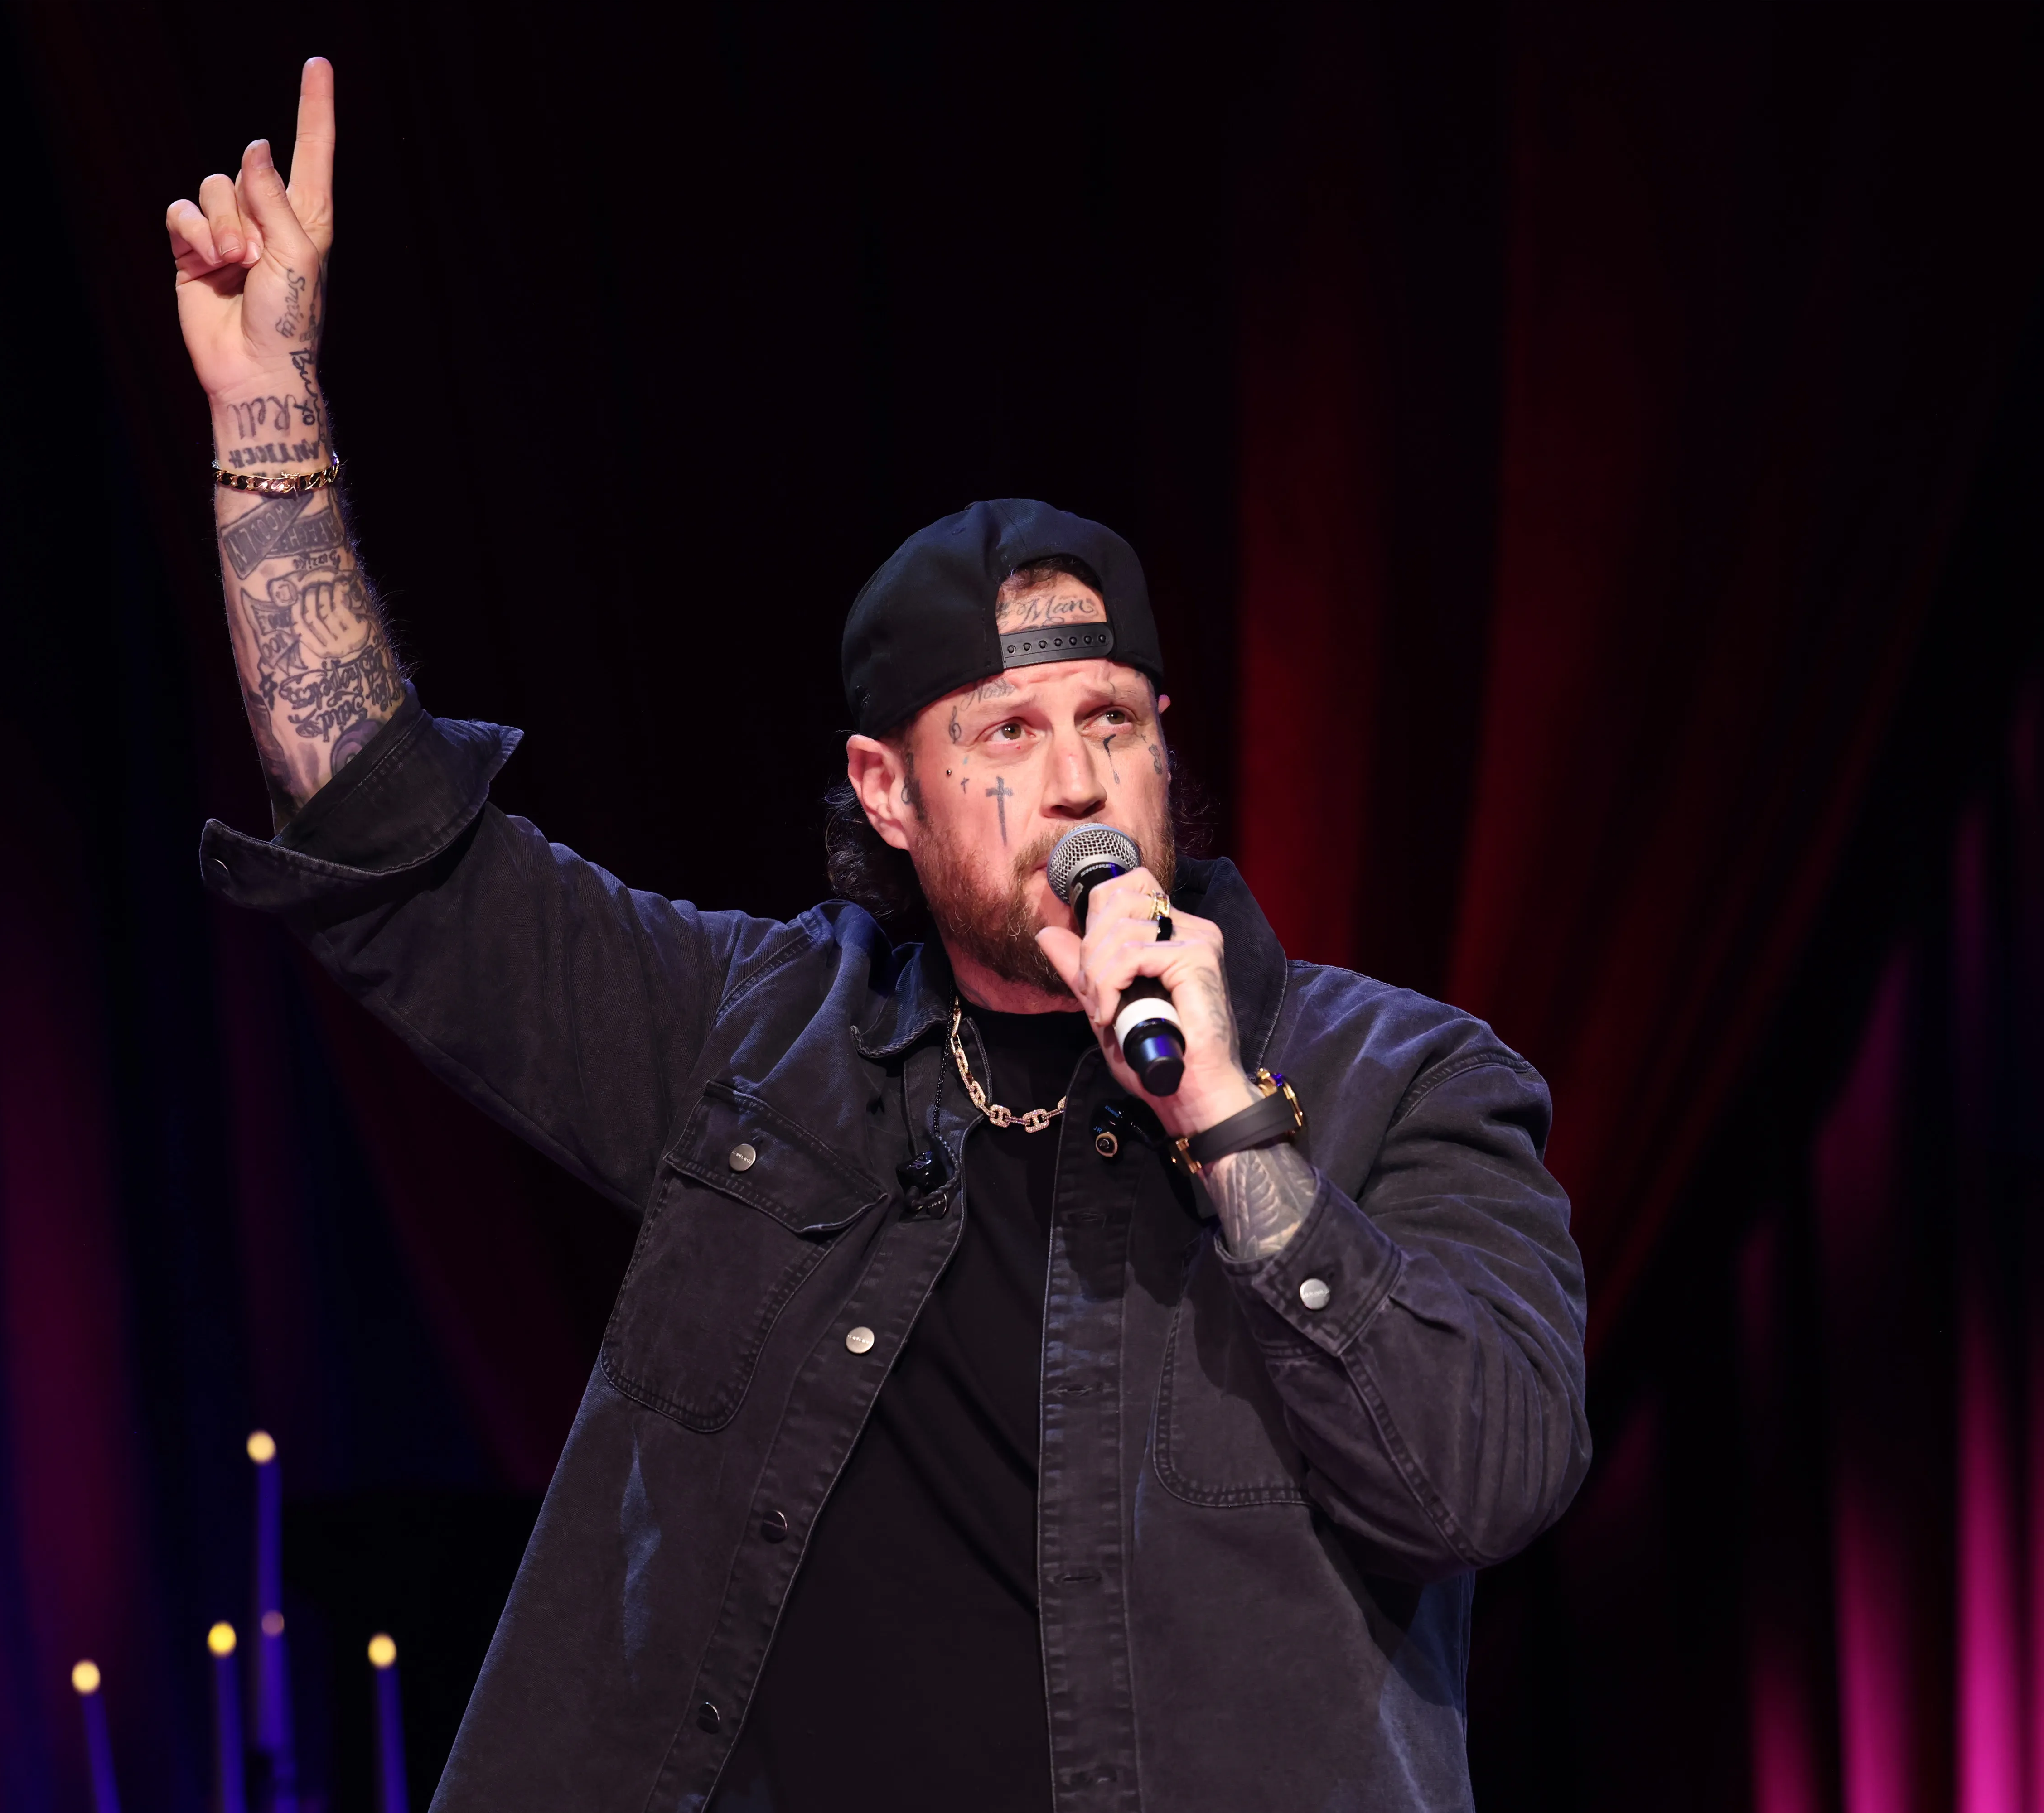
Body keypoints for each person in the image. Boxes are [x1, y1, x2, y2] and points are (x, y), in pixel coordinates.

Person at [167, 58, 1589, 1813]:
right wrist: (268, 427)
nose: (1078, 779)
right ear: (887, 789)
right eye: (1006, 734)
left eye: (1114, 719)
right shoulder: (756, 1037)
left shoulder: (1407, 1082)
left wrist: (1230, 1128)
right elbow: (389, 847)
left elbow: (1483, 1485)